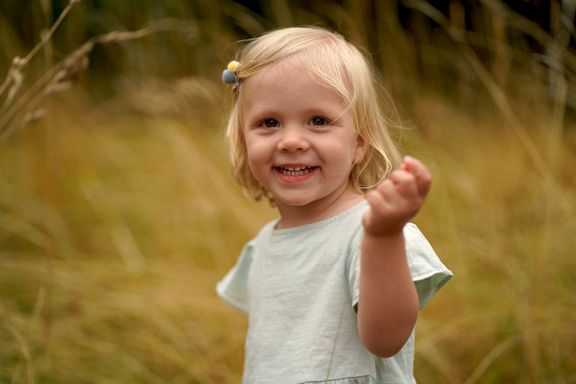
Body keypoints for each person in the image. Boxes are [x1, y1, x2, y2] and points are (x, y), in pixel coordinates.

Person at [216, 26, 452, 384]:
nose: (291, 141)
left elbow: (386, 339)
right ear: (244, 142)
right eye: (269, 122)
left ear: (358, 142)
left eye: (319, 121)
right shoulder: (263, 244)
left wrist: (384, 236)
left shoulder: (370, 232)